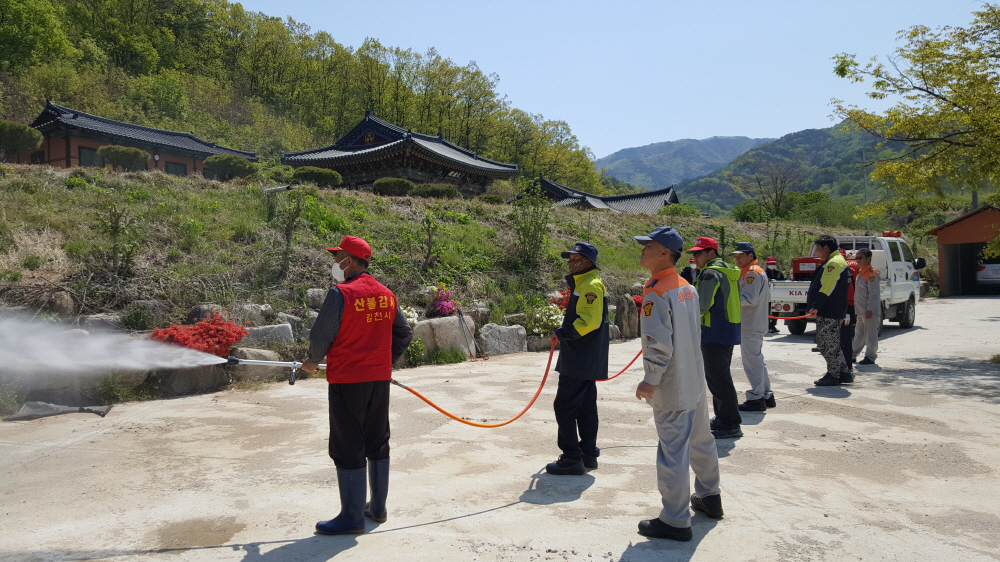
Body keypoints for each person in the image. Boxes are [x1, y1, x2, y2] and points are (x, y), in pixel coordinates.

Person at [301, 235, 413, 535]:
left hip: (348, 379)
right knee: (377, 439)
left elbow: (322, 334)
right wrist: (383, 361)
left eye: (337, 258)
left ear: (348, 261)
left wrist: (312, 360)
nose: (334, 263)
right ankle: (377, 508)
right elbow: (404, 332)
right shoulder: (386, 294)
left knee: (348, 443)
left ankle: (351, 518)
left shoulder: (341, 293)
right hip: (378, 379)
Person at [633, 226, 723, 542]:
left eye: (648, 245)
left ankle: (674, 520)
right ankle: (710, 495)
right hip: (694, 378)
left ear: (664, 252)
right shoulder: (686, 286)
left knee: (673, 451)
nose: (642, 249)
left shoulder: (657, 291)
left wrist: (650, 379)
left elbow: (658, 341)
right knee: (701, 440)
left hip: (672, 383)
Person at [546, 242, 610, 475]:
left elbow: (589, 321)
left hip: (580, 356)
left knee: (564, 406)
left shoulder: (590, 285)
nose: (571, 263)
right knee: (585, 406)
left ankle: (572, 458)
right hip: (585, 356)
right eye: (570, 258)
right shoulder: (585, 282)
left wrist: (563, 333)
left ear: (588, 262)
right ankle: (588, 454)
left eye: (576, 259)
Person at [689, 237, 743, 439]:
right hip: (727, 328)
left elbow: (701, 305)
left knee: (718, 380)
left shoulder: (711, 273)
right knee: (720, 377)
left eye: (699, 253)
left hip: (713, 331)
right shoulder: (728, 271)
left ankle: (730, 423)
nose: (695, 257)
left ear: (711, 253)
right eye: (694, 253)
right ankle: (723, 418)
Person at [730, 242, 775, 411]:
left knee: (752, 362)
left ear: (750, 255)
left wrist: (728, 300)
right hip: (753, 322)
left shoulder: (752, 273)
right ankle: (766, 394)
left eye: (740, 256)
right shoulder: (750, 272)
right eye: (735, 256)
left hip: (751, 323)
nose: (737, 259)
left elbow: (749, 299)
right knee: (756, 360)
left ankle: (757, 397)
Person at [806, 235, 852, 386]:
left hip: (830, 309)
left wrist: (816, 306)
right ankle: (844, 372)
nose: (817, 252)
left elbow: (827, 287)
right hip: (832, 309)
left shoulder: (834, 263)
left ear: (826, 248)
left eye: (818, 249)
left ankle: (833, 374)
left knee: (825, 343)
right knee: (831, 342)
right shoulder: (834, 261)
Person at [852, 248, 881, 365]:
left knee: (870, 333)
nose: (857, 260)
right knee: (859, 333)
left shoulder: (872, 274)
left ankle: (870, 356)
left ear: (868, 259)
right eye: (856, 258)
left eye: (860, 258)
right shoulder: (860, 272)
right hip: (860, 310)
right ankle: (853, 354)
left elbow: (874, 295)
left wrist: (870, 309)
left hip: (869, 310)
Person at [839, 251, 860, 378]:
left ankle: (847, 368)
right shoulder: (834, 270)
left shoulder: (850, 270)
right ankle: (842, 367)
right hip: (841, 307)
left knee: (845, 338)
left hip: (847, 307)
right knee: (840, 339)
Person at [764, 256, 785, 333]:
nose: (771, 265)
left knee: (776, 311)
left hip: (777, 296)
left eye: (773, 264)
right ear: (767, 264)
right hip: (766, 296)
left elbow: (783, 283)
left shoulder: (779, 274)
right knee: (766, 311)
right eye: (770, 264)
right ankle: (766, 326)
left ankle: (773, 325)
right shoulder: (763, 274)